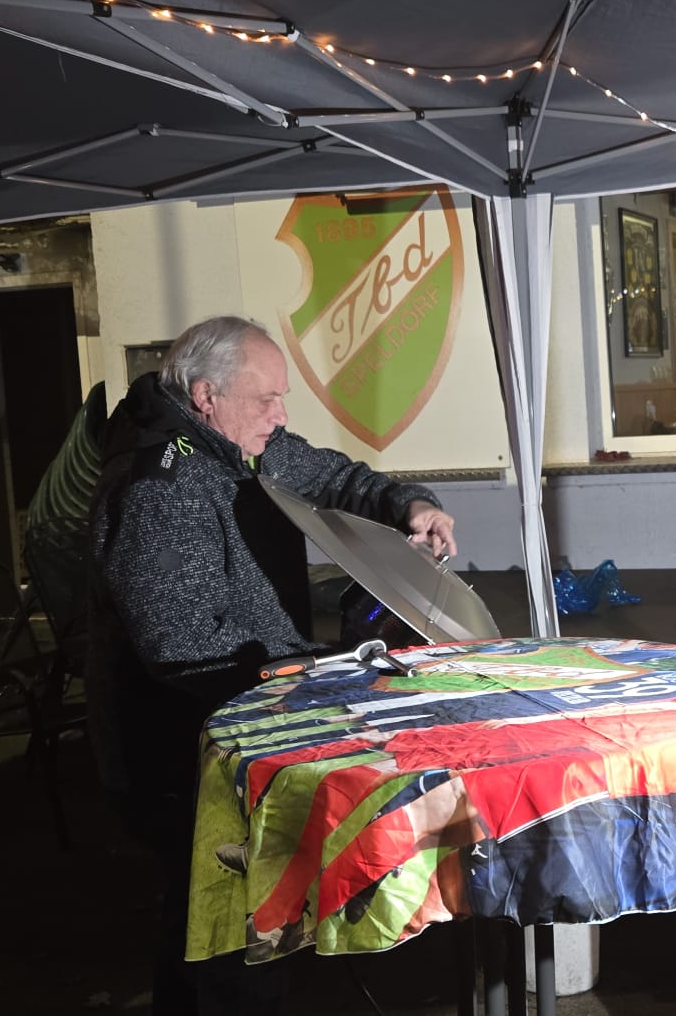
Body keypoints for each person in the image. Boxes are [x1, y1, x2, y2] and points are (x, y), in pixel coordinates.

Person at [88, 314, 456, 1014]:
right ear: (206, 396)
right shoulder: (159, 486)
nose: (280, 416)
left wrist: (413, 505)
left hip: (242, 726)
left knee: (221, 928)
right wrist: (315, 675)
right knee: (226, 931)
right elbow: (185, 649)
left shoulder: (244, 443)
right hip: (181, 749)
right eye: (267, 400)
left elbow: (337, 477)